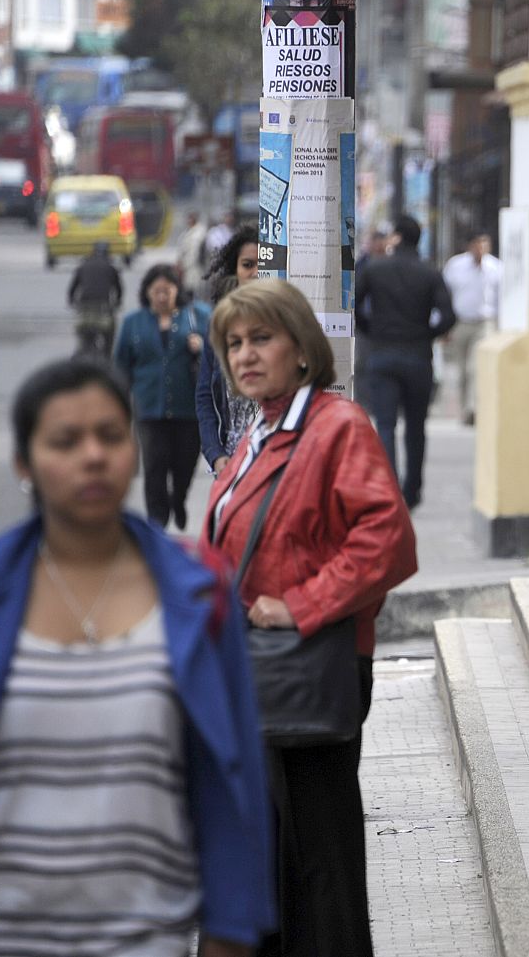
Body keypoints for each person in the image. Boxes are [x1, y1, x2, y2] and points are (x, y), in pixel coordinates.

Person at [0, 358, 273, 957]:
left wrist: (232, 928)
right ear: (25, 463)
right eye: (65, 440)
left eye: (110, 435)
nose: (92, 455)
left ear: (132, 451)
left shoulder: (196, 590)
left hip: (144, 934)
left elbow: (230, 771)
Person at [204, 279, 416, 957]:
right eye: (233, 343)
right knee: (267, 859)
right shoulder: (259, 433)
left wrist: (300, 605)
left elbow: (387, 538)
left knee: (319, 859)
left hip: (311, 666)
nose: (245, 354)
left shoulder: (335, 425)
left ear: (303, 348)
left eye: (261, 338)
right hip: (257, 670)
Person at [354, 213, 455, 510]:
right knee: (415, 426)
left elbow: (355, 303)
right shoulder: (430, 273)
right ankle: (412, 491)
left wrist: (370, 329)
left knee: (385, 423)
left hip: (382, 353)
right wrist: (428, 334)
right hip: (418, 357)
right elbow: (448, 316)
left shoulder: (375, 269)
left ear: (396, 238)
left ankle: (389, 488)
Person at [115, 264, 207, 530]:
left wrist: (201, 346)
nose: (162, 296)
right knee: (154, 466)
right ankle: (157, 522)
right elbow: (121, 366)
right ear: (147, 293)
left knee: (184, 465)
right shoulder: (134, 323)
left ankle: (178, 499)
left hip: (187, 408)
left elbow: (219, 354)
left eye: (167, 290)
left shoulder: (198, 317)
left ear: (177, 291)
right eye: (157, 291)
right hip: (149, 408)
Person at [195, 227, 262, 472]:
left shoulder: (286, 323)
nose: (255, 273)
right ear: (235, 270)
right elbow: (205, 396)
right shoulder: (220, 324)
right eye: (247, 264)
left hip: (275, 462)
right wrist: (215, 453)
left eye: (263, 265)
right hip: (232, 462)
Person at [441, 231, 501, 426]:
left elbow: (501, 298)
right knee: (462, 369)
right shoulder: (455, 266)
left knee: (474, 368)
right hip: (461, 322)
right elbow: (445, 295)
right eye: (477, 244)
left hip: (484, 323)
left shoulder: (496, 268)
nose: (480, 248)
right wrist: (445, 325)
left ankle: (473, 408)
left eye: (484, 244)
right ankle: (466, 407)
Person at [68, 241, 123, 358]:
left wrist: (72, 301)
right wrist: (117, 303)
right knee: (109, 334)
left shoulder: (83, 265)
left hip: (84, 308)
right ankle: (107, 358)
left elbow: (73, 287)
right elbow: (118, 289)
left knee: (83, 338)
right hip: (104, 307)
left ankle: (80, 355)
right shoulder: (111, 267)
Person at [177, 208, 209, 294]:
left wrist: (186, 265)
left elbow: (194, 253)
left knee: (195, 290)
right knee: (187, 290)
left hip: (195, 267)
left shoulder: (199, 233)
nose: (189, 220)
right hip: (186, 267)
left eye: (191, 218)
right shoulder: (187, 232)